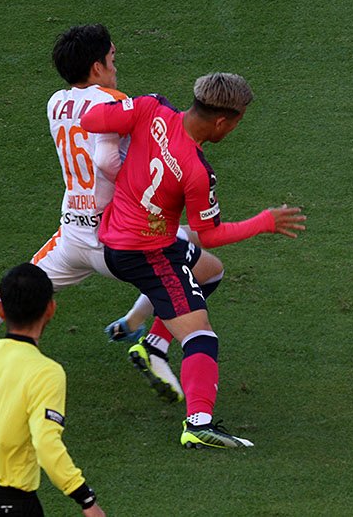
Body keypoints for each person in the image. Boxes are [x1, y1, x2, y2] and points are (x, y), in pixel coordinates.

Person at [0, 24, 218, 404]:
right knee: (203, 267)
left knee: (15, 292)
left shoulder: (55, 102)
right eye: (111, 59)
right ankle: (143, 333)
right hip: (119, 236)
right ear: (96, 67)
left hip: (72, 234)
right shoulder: (113, 100)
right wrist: (138, 184)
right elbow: (105, 160)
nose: (115, 67)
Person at [80, 72, 306, 449]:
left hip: (119, 235)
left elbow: (91, 120)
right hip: (147, 254)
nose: (234, 130)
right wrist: (264, 222)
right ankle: (198, 425)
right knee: (202, 337)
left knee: (209, 272)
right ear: (221, 121)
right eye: (236, 123)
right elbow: (211, 233)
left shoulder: (151, 107)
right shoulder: (197, 171)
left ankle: (153, 345)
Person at [0, 263, 105, 517]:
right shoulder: (46, 372)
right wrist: (85, 498)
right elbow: (46, 442)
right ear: (51, 309)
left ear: (0, 309)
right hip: (13, 504)